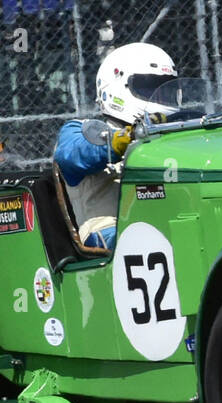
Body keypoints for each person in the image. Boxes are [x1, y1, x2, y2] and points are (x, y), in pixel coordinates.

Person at [54, 42, 177, 253]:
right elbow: (71, 156)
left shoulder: (171, 130)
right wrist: (121, 139)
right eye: (149, 87)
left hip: (163, 218)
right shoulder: (82, 130)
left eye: (164, 89)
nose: (158, 97)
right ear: (116, 87)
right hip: (106, 229)